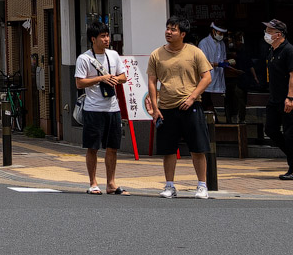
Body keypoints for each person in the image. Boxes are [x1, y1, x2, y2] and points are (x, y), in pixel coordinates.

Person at [144, 17, 213, 200]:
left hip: (191, 106)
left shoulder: (195, 52)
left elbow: (206, 78)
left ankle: (202, 186)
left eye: (173, 30)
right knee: (168, 149)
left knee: (198, 148)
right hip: (166, 107)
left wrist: (192, 97)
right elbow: (151, 81)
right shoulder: (157, 54)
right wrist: (155, 107)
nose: (168, 32)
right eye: (167, 28)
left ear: (183, 34)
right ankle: (169, 185)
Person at [75, 21, 127, 195]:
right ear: (93, 39)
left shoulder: (113, 55)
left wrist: (114, 79)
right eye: (102, 36)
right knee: (93, 147)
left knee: (112, 147)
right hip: (93, 109)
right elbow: (79, 83)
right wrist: (100, 79)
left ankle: (111, 183)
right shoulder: (84, 58)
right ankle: (93, 183)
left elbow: (124, 76)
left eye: (107, 35)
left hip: (113, 108)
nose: (106, 39)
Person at [262, 19, 293, 181]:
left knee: (289, 133)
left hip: (288, 98)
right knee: (270, 130)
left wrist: (290, 97)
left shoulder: (288, 50)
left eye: (269, 31)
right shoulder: (272, 50)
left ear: (278, 34)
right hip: (274, 98)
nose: (266, 34)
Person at [196, 24, 237, 123]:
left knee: (218, 99)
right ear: (213, 31)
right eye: (219, 33)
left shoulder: (222, 44)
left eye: (222, 33)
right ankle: (214, 121)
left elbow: (222, 58)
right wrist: (218, 64)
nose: (221, 35)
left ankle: (222, 120)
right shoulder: (204, 43)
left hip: (219, 77)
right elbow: (202, 63)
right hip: (208, 76)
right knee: (206, 99)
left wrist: (227, 63)